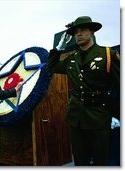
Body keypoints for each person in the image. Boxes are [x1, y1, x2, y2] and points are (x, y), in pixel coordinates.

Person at [46, 16, 120, 166]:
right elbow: (51, 67)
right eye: (76, 32)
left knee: (100, 161)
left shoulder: (108, 55)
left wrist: (117, 114)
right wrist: (59, 48)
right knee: (80, 161)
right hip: (76, 118)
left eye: (82, 30)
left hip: (99, 116)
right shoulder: (72, 58)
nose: (78, 34)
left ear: (92, 32)